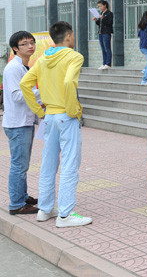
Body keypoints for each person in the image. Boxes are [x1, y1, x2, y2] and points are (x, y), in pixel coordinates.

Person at [20, 21, 92, 227]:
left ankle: (45, 209)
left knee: (48, 164)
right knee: (70, 164)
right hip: (66, 116)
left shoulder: (43, 59)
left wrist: (39, 111)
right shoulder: (74, 56)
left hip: (49, 117)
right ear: (68, 36)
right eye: (73, 35)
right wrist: (72, 110)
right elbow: (69, 82)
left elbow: (24, 83)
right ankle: (65, 215)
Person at [3, 31, 41, 215]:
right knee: (19, 165)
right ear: (15, 48)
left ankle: (23, 196)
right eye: (24, 44)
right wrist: (43, 92)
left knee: (22, 164)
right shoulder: (13, 68)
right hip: (17, 124)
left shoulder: (24, 67)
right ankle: (17, 204)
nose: (30, 46)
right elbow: (17, 96)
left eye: (32, 42)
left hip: (23, 121)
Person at [92, 0, 113, 70]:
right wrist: (97, 20)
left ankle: (108, 63)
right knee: (103, 49)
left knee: (107, 48)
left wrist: (103, 18)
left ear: (105, 5)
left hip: (106, 33)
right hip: (100, 33)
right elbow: (101, 24)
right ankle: (104, 63)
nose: (100, 7)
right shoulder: (101, 13)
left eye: (101, 6)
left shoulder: (109, 13)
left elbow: (110, 23)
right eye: (99, 6)